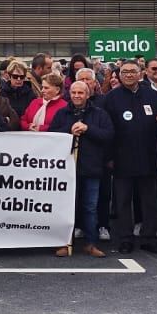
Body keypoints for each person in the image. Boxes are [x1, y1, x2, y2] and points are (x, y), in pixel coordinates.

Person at [101, 60, 157, 255]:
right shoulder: (111, 98)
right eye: (124, 72)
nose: (129, 75)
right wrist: (109, 157)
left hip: (148, 157)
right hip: (121, 158)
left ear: (140, 74)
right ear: (119, 75)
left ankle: (149, 237)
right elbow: (107, 129)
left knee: (149, 201)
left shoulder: (153, 96)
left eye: (133, 71)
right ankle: (125, 238)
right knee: (122, 201)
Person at [48, 79, 112, 257]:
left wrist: (88, 129)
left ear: (88, 94)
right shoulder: (62, 113)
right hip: (67, 169)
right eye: (74, 92)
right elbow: (52, 134)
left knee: (90, 207)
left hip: (91, 167)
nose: (77, 96)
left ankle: (91, 243)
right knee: (66, 207)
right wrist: (69, 130)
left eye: (81, 93)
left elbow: (108, 135)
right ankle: (64, 242)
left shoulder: (99, 114)